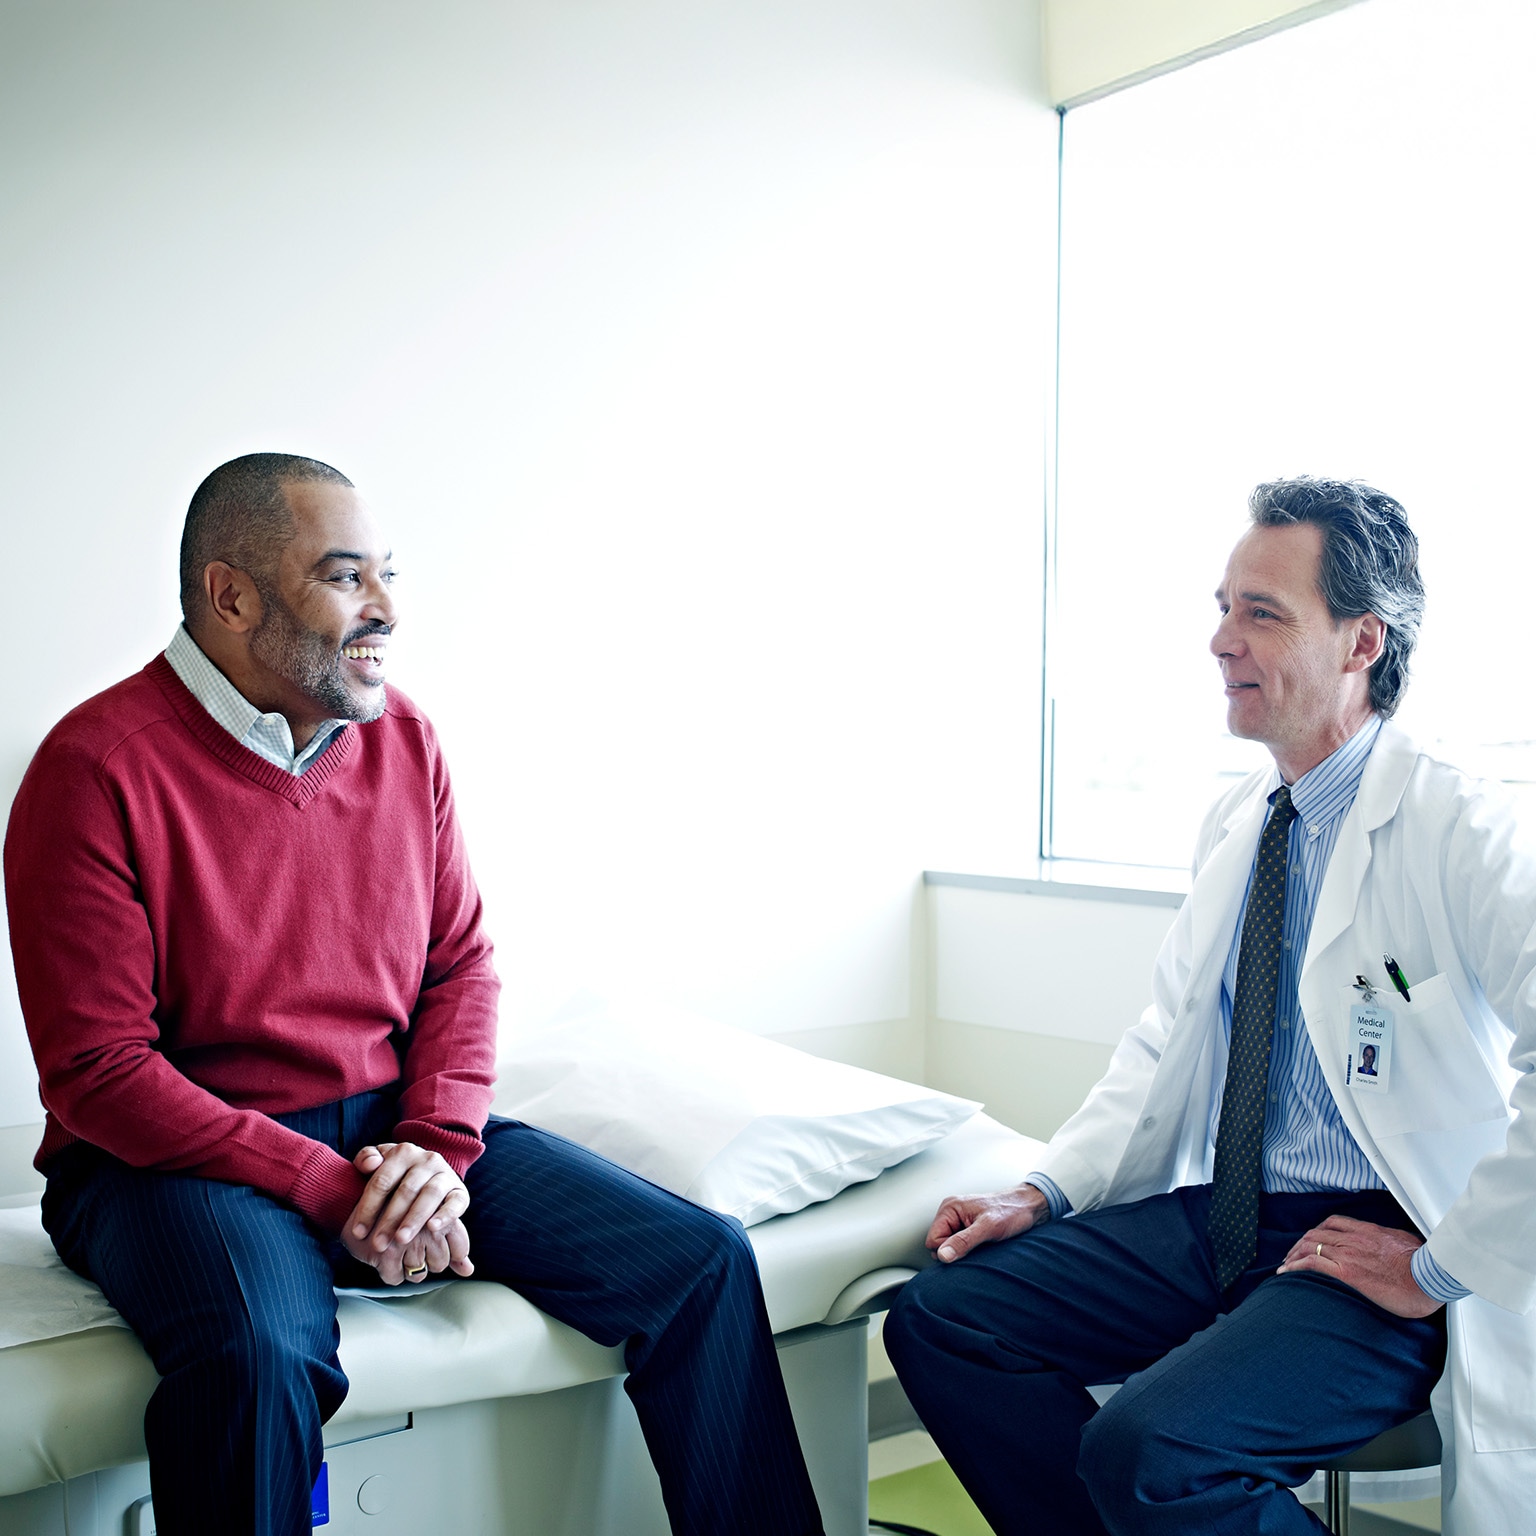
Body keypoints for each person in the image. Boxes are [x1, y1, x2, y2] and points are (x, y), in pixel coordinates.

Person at [3, 453, 825, 1536]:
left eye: (386, 574)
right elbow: (99, 1073)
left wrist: (435, 1150)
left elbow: (460, 968)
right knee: (259, 1356)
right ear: (232, 596)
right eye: (346, 578)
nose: (384, 609)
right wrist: (325, 1184)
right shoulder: (96, 766)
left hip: (391, 1131)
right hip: (178, 1162)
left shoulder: (406, 742)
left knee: (702, 1264)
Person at [884, 477, 1536, 1535]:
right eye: (1223, 605)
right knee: (945, 1321)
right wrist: (1045, 1191)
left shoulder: (1461, 825)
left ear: (1362, 642)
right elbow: (1164, 1044)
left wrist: (1441, 1263)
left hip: (1380, 1234)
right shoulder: (1241, 821)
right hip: (1229, 1216)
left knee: (1149, 1453)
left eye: (1261, 612)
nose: (1221, 640)